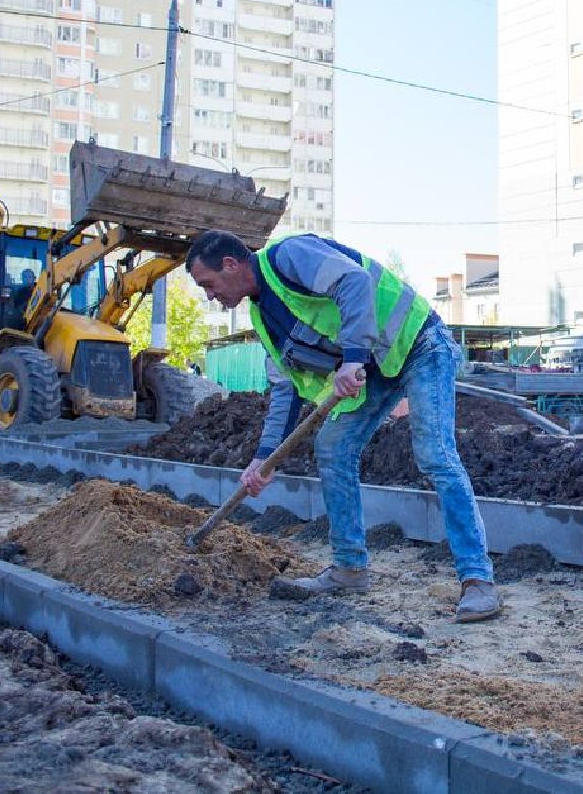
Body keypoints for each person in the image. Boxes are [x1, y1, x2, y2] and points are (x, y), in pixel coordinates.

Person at [185, 229, 500, 623]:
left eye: (208, 284)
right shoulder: (263, 318)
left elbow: (354, 282)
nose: (209, 296)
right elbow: (286, 389)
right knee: (333, 447)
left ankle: (477, 579)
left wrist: (352, 357)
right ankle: (349, 568)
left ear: (231, 265)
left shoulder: (288, 256)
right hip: (371, 368)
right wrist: (264, 458)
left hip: (419, 342)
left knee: (434, 453)